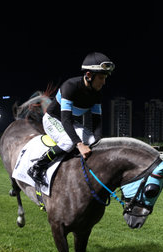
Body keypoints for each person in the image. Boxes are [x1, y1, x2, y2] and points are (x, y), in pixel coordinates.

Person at [28, 52, 115, 186]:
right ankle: (37, 166)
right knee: (69, 142)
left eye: (105, 78)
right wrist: (79, 144)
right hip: (53, 119)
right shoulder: (70, 86)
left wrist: (98, 142)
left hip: (70, 122)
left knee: (93, 141)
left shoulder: (97, 94)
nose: (104, 82)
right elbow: (66, 119)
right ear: (89, 75)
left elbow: (97, 122)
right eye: (101, 78)